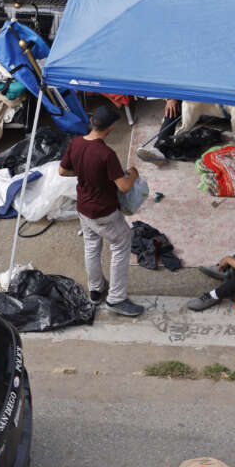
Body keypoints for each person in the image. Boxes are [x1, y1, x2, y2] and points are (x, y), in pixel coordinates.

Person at [59, 103, 145, 317]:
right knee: (120, 246)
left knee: (91, 246)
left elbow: (62, 171)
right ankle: (116, 299)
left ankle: (96, 290)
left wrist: (84, 174)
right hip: (104, 212)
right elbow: (124, 186)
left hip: (83, 208)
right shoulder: (106, 154)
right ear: (110, 127)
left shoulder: (76, 143)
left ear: (92, 122)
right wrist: (133, 174)